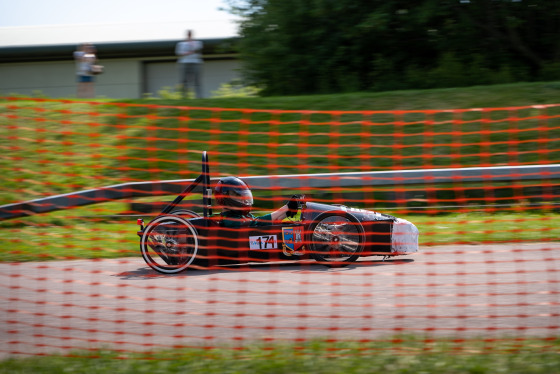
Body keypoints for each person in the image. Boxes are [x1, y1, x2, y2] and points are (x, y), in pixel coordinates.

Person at [214, 176, 302, 228]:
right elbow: (258, 223)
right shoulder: (229, 220)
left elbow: (268, 223)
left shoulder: (243, 215)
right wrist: (286, 208)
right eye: (237, 195)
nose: (242, 199)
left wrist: (287, 212)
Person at [175, 30, 203, 99]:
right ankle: (184, 96)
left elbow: (197, 49)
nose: (189, 35)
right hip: (184, 62)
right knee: (184, 80)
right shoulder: (181, 44)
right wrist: (189, 52)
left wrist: (191, 44)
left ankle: (198, 97)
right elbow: (179, 53)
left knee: (197, 80)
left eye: (190, 34)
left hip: (196, 62)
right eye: (188, 34)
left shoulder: (198, 43)